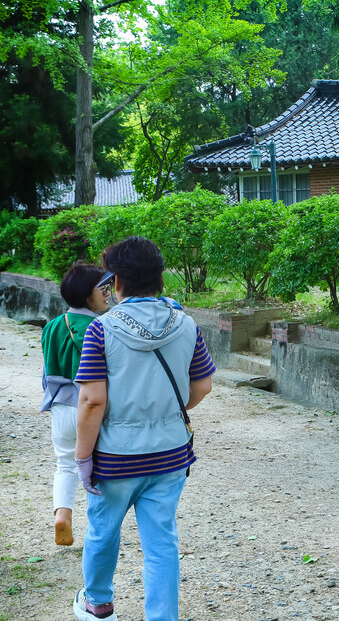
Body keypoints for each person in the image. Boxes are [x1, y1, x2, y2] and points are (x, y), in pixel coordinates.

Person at [71, 237, 216, 621]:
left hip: (116, 457)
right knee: (161, 543)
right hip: (170, 453)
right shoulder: (186, 324)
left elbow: (92, 401)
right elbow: (202, 386)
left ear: (117, 281)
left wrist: (82, 457)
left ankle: (98, 603)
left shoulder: (101, 330)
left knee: (103, 531)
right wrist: (166, 410)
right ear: (159, 277)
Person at [40, 262, 109, 546]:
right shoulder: (100, 327)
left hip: (59, 406)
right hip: (89, 406)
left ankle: (63, 514)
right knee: (101, 464)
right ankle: (99, 529)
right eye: (102, 288)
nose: (107, 292)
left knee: (65, 464)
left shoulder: (52, 326)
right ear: (85, 293)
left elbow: (45, 373)